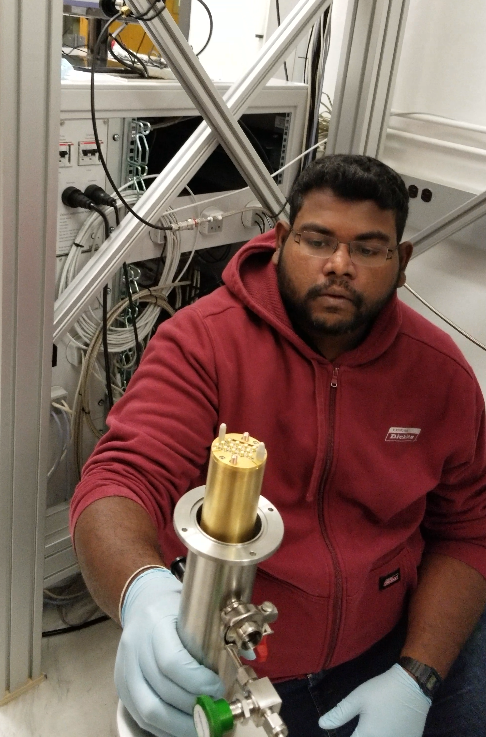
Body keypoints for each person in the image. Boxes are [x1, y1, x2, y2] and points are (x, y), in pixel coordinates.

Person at [70, 154, 486, 737]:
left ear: (402, 262)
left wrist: (417, 677)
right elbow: (120, 479)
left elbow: (469, 528)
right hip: (240, 663)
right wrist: (141, 592)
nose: (340, 265)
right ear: (284, 239)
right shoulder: (203, 343)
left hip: (392, 647)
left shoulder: (440, 374)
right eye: (318, 241)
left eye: (369, 248)